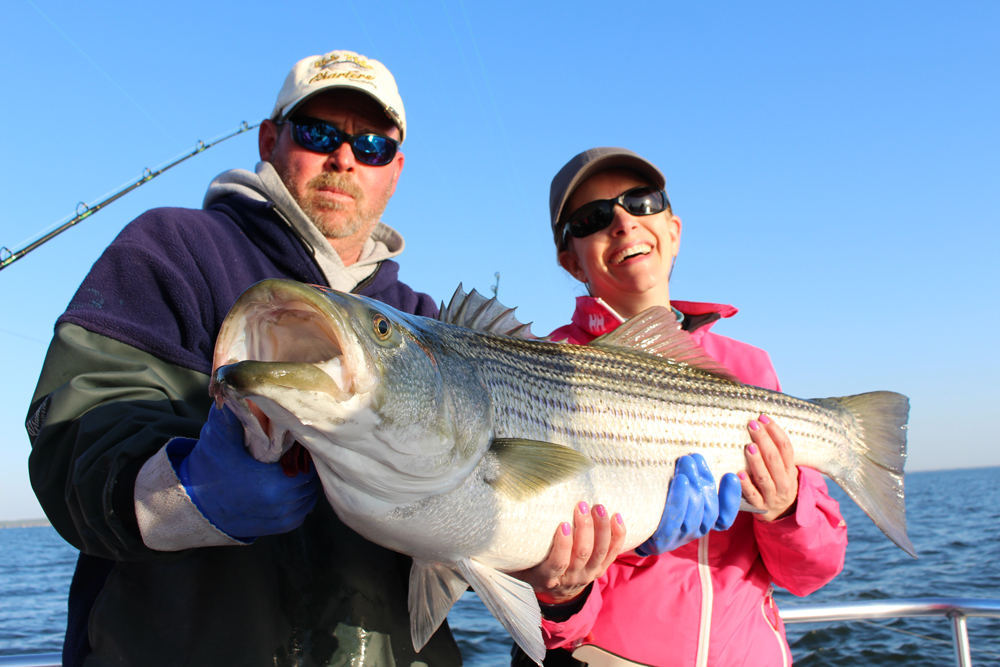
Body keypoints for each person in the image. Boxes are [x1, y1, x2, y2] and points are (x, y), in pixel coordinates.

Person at [26, 50, 463, 667]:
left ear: (394, 170)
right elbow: (75, 428)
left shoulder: (426, 318)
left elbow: (463, 539)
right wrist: (179, 490)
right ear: (269, 137)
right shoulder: (174, 248)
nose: (343, 159)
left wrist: (544, 571)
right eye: (318, 133)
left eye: (370, 145)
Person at [512, 148, 848, 666]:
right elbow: (549, 622)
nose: (623, 222)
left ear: (673, 229)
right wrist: (600, 567)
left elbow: (811, 572)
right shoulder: (542, 371)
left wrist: (784, 508)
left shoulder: (750, 367)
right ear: (570, 260)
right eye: (593, 218)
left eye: (641, 203)